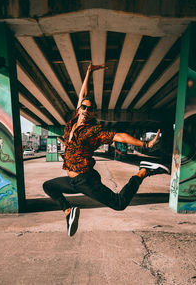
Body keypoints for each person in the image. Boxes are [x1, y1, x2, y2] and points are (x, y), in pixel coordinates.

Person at [43, 63, 170, 237]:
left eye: (90, 109)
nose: (86, 110)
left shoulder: (93, 131)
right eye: (84, 107)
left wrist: (145, 145)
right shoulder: (72, 123)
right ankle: (68, 211)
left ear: (93, 113)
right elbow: (83, 95)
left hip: (85, 180)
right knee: (49, 186)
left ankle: (143, 171)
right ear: (79, 109)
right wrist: (88, 73)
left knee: (119, 204)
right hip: (71, 179)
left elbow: (120, 136)